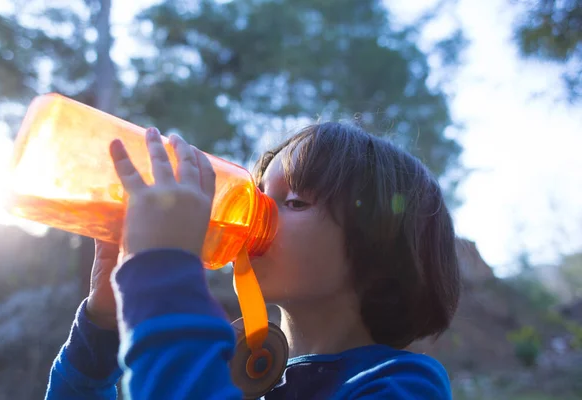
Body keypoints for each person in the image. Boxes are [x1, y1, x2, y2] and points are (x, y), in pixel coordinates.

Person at [45, 122, 461, 399]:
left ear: (381, 252)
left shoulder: (400, 386)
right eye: (259, 194)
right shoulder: (237, 380)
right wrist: (103, 326)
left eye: (294, 201)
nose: (255, 213)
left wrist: (162, 277)